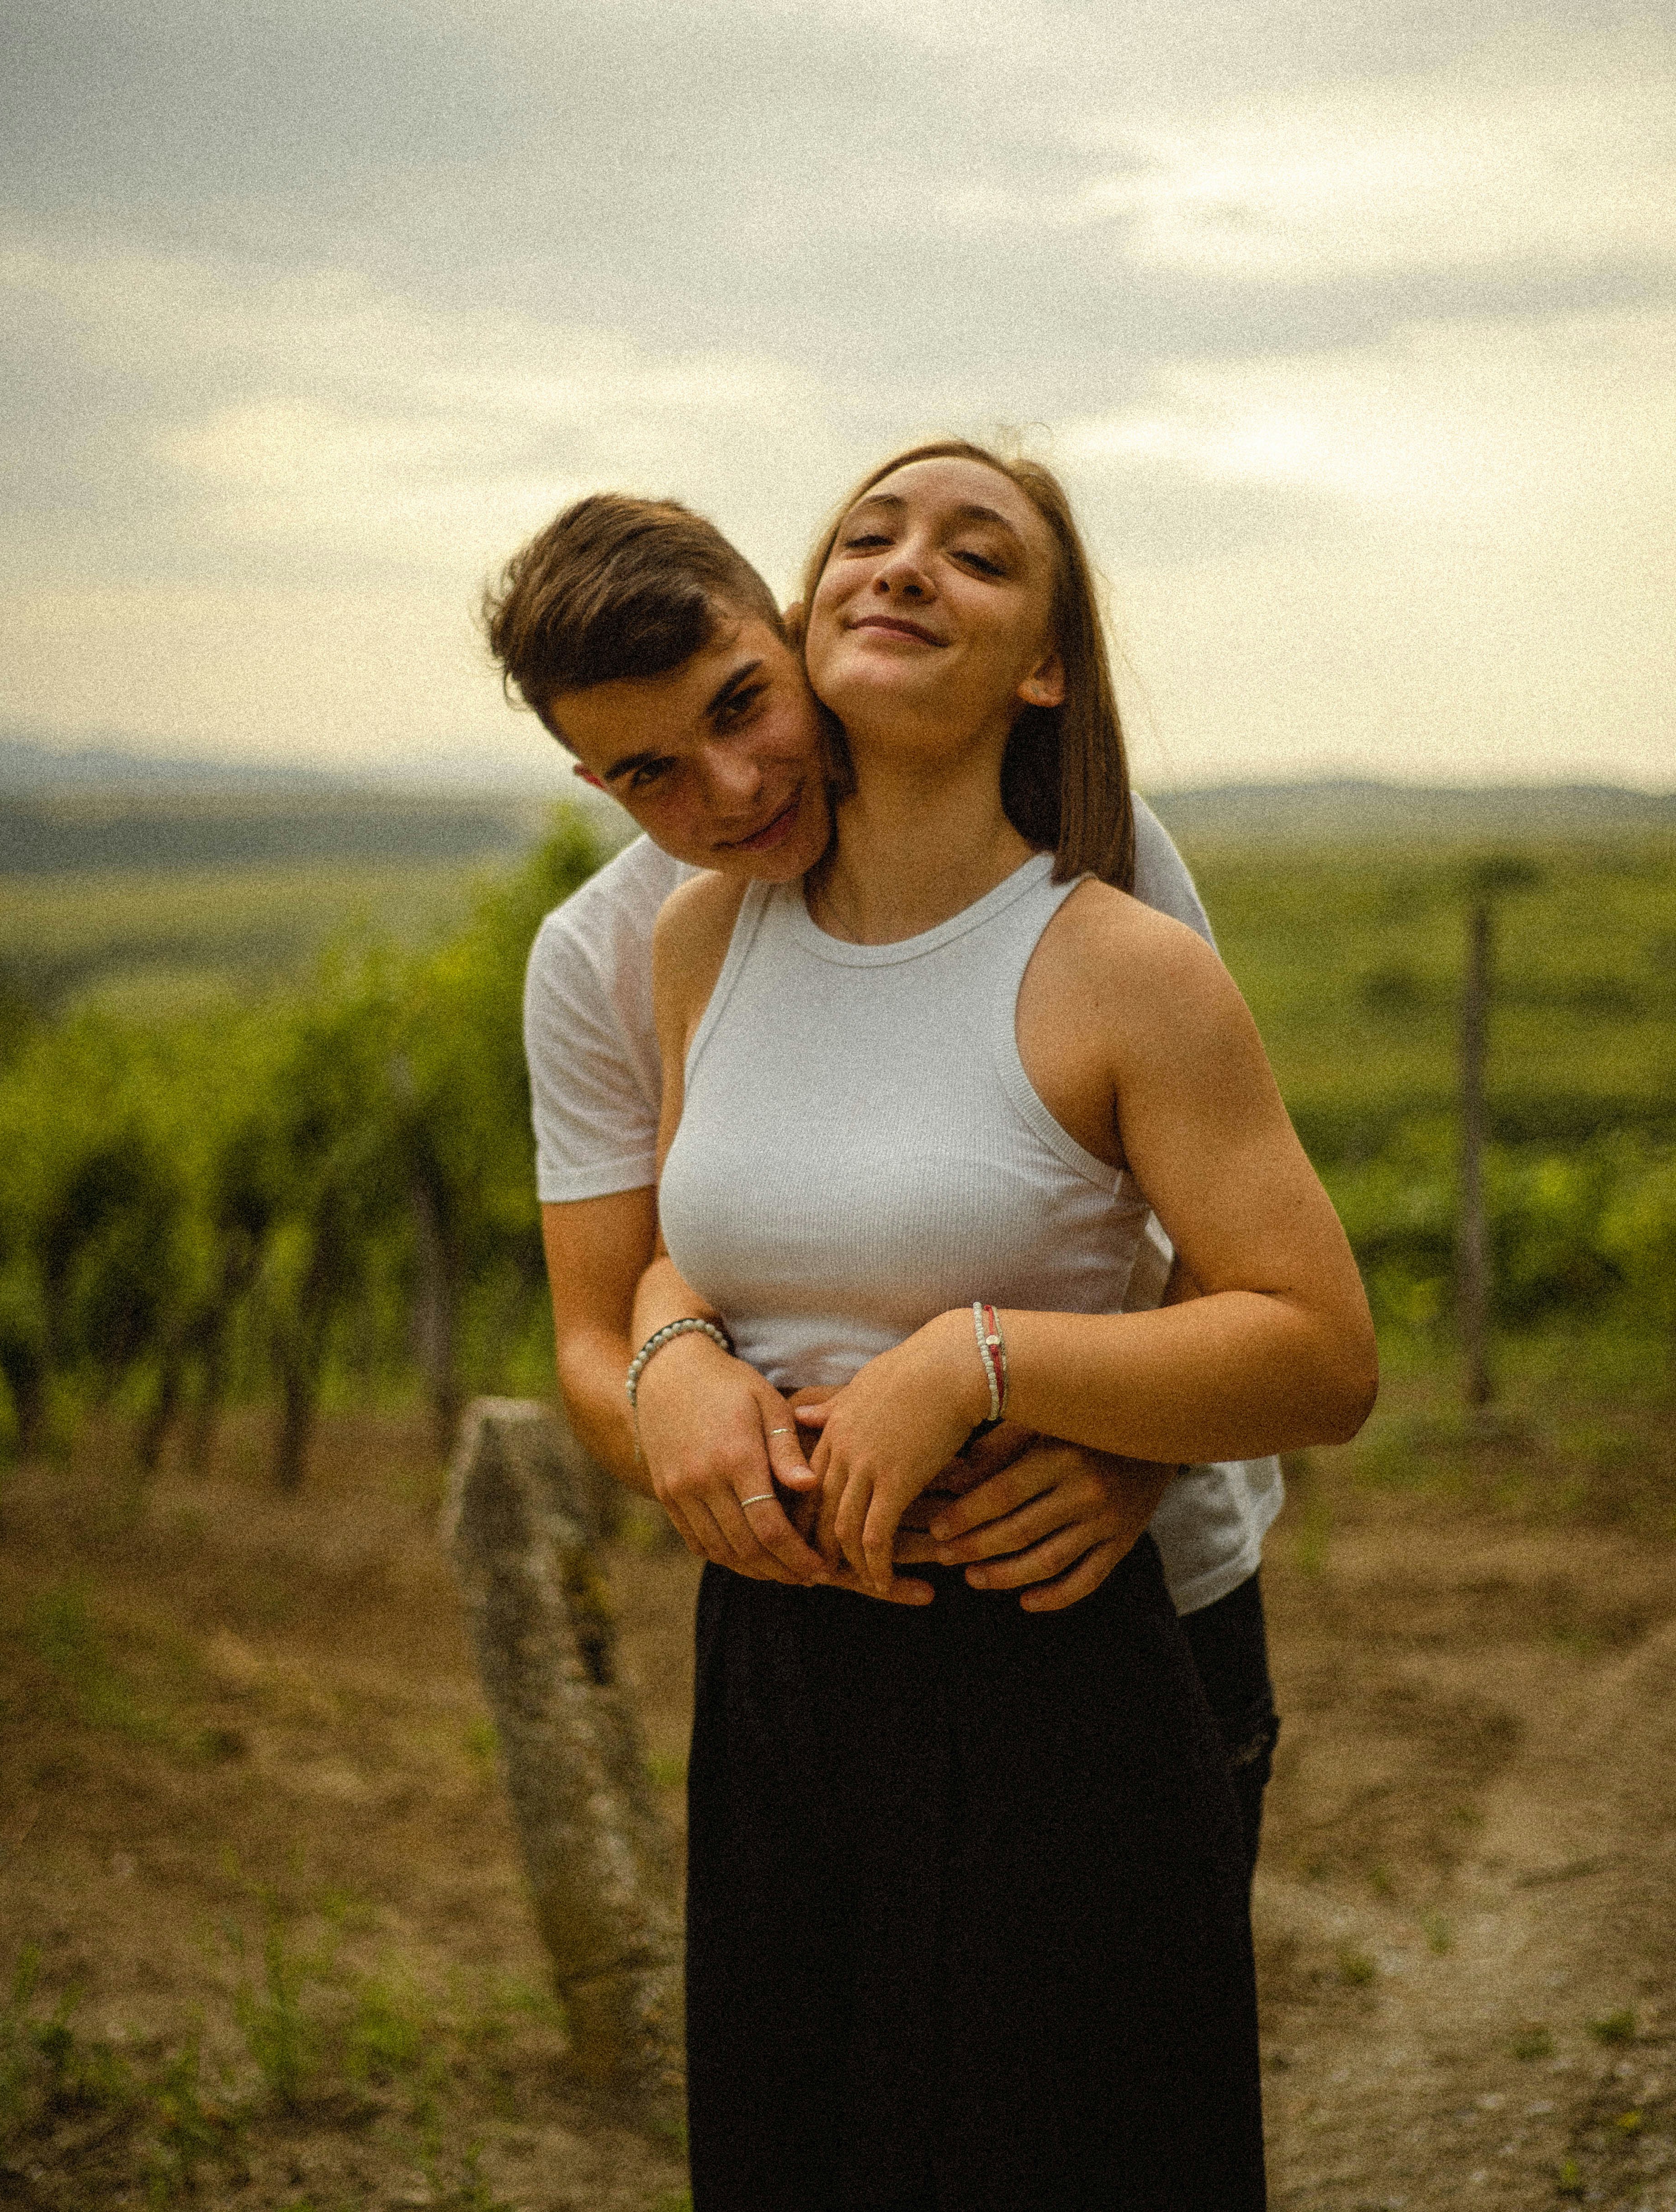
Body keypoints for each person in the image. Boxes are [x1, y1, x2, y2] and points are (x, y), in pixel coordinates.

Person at [633, 440, 1377, 2208]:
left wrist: (986, 1359)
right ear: (799, 623)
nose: (902, 567)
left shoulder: (1122, 960)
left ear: (1045, 666)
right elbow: (704, 1239)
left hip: (1048, 1663)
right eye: (867, 539)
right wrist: (671, 1358)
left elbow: (1323, 1352)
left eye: (974, 556)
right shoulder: (695, 939)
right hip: (777, 1668)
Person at [489, 494, 1286, 1861]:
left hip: (1123, 1580)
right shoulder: (611, 955)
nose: (730, 787)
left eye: (744, 704)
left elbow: (1228, 1217)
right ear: (593, 784)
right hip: (818, 1637)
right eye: (650, 772)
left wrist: (1133, 1458)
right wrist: (672, 1391)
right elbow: (595, 1321)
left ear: (795, 632)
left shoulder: (1068, 826)